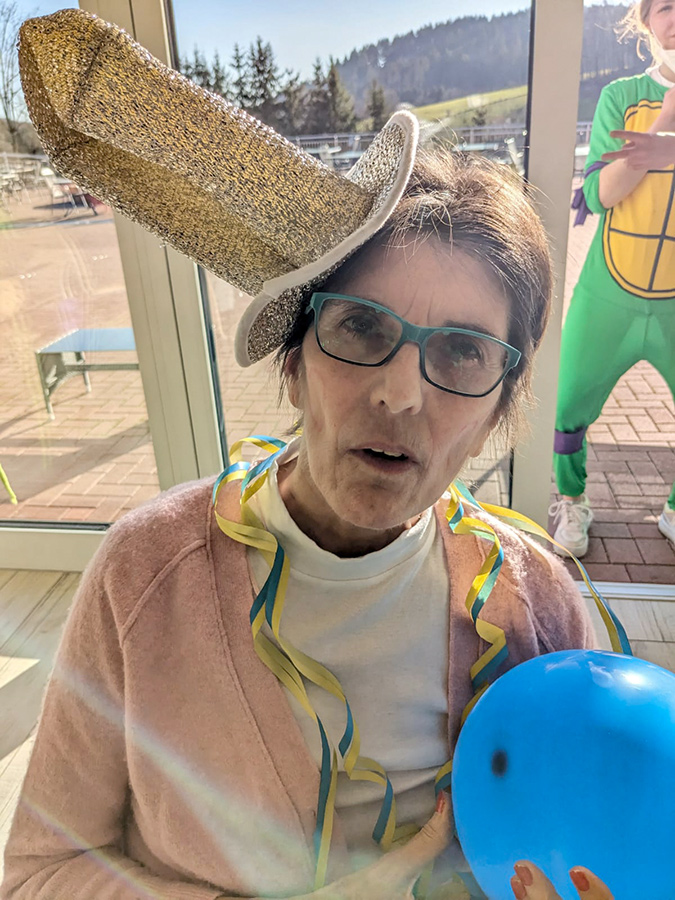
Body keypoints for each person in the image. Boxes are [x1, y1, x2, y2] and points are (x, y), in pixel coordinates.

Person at [4, 9, 617, 900]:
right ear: (292, 365)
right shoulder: (145, 577)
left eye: (461, 353)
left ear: (496, 412)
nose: (401, 395)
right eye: (361, 327)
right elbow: (38, 872)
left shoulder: (538, 612)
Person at [550, 0, 675, 558]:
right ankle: (571, 501)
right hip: (609, 290)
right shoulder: (622, 97)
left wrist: (666, 148)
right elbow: (600, 195)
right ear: (645, 20)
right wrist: (662, 125)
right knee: (569, 403)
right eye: (665, 6)